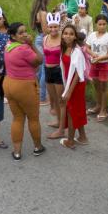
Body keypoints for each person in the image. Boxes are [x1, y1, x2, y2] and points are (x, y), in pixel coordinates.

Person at [2, 22, 46, 160]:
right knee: (33, 118)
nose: (25, 34)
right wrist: (32, 45)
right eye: (21, 33)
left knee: (17, 118)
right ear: (13, 35)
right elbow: (39, 60)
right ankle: (38, 147)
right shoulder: (24, 49)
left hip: (9, 84)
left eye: (25, 31)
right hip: (24, 86)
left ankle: (17, 152)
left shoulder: (8, 45)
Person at [58, 23, 89, 149]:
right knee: (77, 109)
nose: (68, 36)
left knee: (71, 111)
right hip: (70, 84)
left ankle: (70, 141)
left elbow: (77, 73)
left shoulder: (77, 51)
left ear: (75, 37)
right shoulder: (65, 48)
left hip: (76, 85)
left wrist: (69, 92)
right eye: (65, 33)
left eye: (71, 34)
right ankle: (82, 137)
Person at [42, 11, 66, 140]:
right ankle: (58, 121)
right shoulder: (45, 38)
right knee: (53, 98)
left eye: (55, 26)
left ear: (59, 26)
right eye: (50, 26)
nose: (53, 29)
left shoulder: (63, 39)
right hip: (47, 69)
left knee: (61, 100)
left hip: (58, 71)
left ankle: (62, 129)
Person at [85, 14, 108, 121]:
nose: (102, 26)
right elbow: (87, 47)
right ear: (96, 24)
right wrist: (93, 54)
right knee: (96, 86)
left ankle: (103, 110)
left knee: (104, 88)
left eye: (104, 24)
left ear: (107, 25)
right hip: (94, 64)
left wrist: (100, 58)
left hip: (104, 65)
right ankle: (98, 105)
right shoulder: (91, 35)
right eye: (100, 24)